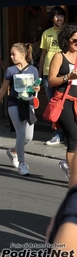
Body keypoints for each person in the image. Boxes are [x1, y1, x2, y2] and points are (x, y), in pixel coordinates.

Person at [0, 43, 40, 176]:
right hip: (14, 103)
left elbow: (36, 87)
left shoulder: (33, 70)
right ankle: (22, 163)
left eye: (14, 54)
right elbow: (3, 89)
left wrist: (37, 89)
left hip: (28, 104)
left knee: (29, 137)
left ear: (23, 55)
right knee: (21, 133)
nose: (11, 56)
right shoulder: (10, 70)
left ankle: (13, 151)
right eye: (11, 54)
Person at [48, 23, 77, 183]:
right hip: (64, 101)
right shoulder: (59, 56)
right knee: (73, 138)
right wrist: (68, 77)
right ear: (66, 40)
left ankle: (69, 166)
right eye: (75, 41)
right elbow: (51, 80)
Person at [39, 6, 66, 146]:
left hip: (64, 73)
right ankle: (58, 134)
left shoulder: (68, 32)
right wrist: (39, 74)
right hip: (47, 73)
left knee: (66, 105)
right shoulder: (46, 33)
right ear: (52, 18)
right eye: (56, 16)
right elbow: (43, 55)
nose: (59, 18)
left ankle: (68, 133)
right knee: (53, 105)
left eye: (61, 16)